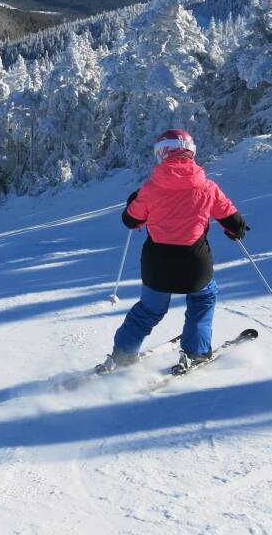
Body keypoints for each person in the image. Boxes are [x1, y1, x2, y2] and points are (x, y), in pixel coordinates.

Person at [103, 129, 248, 373]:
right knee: (203, 299)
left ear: (161, 154)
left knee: (150, 309)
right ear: (191, 152)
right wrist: (236, 230)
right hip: (195, 263)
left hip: (157, 265)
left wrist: (133, 202)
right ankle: (196, 350)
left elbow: (131, 221)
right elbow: (233, 220)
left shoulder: (150, 189)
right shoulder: (208, 187)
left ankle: (123, 354)